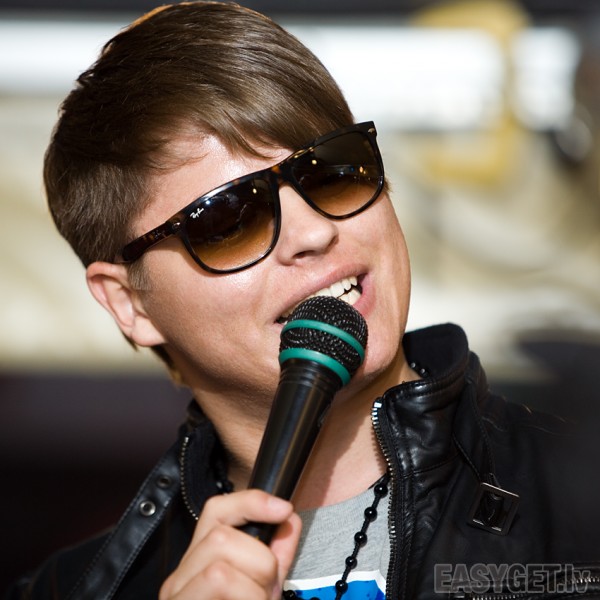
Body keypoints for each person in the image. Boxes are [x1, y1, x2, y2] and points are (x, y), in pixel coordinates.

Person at [7, 2, 600, 599]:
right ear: (129, 303)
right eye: (228, 220)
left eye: (332, 171)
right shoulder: (64, 592)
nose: (314, 232)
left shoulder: (582, 504)